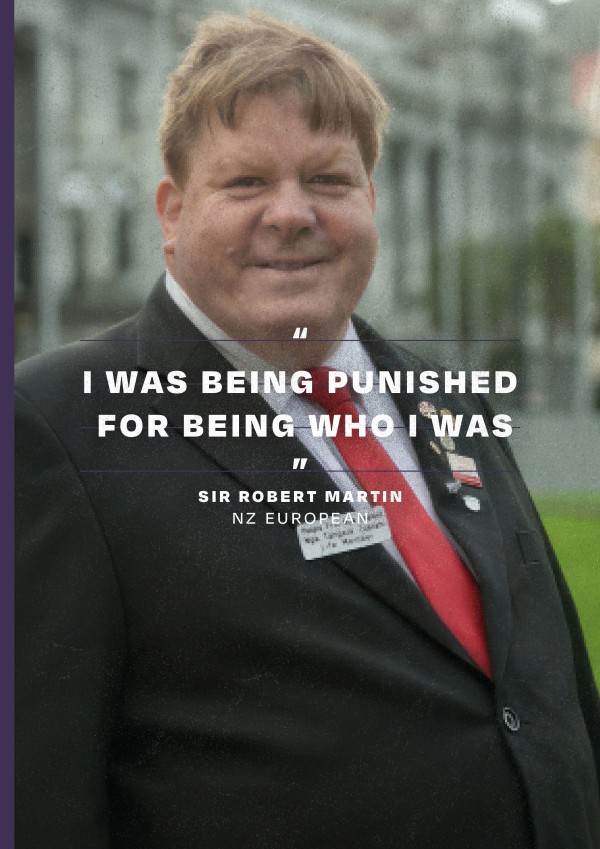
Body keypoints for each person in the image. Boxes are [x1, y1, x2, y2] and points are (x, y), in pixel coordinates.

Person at [15, 11, 600, 849]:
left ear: (369, 199)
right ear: (172, 212)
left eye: (327, 179)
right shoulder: (53, 426)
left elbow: (553, 694)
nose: (290, 213)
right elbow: (39, 801)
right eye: (245, 182)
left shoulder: (449, 403)